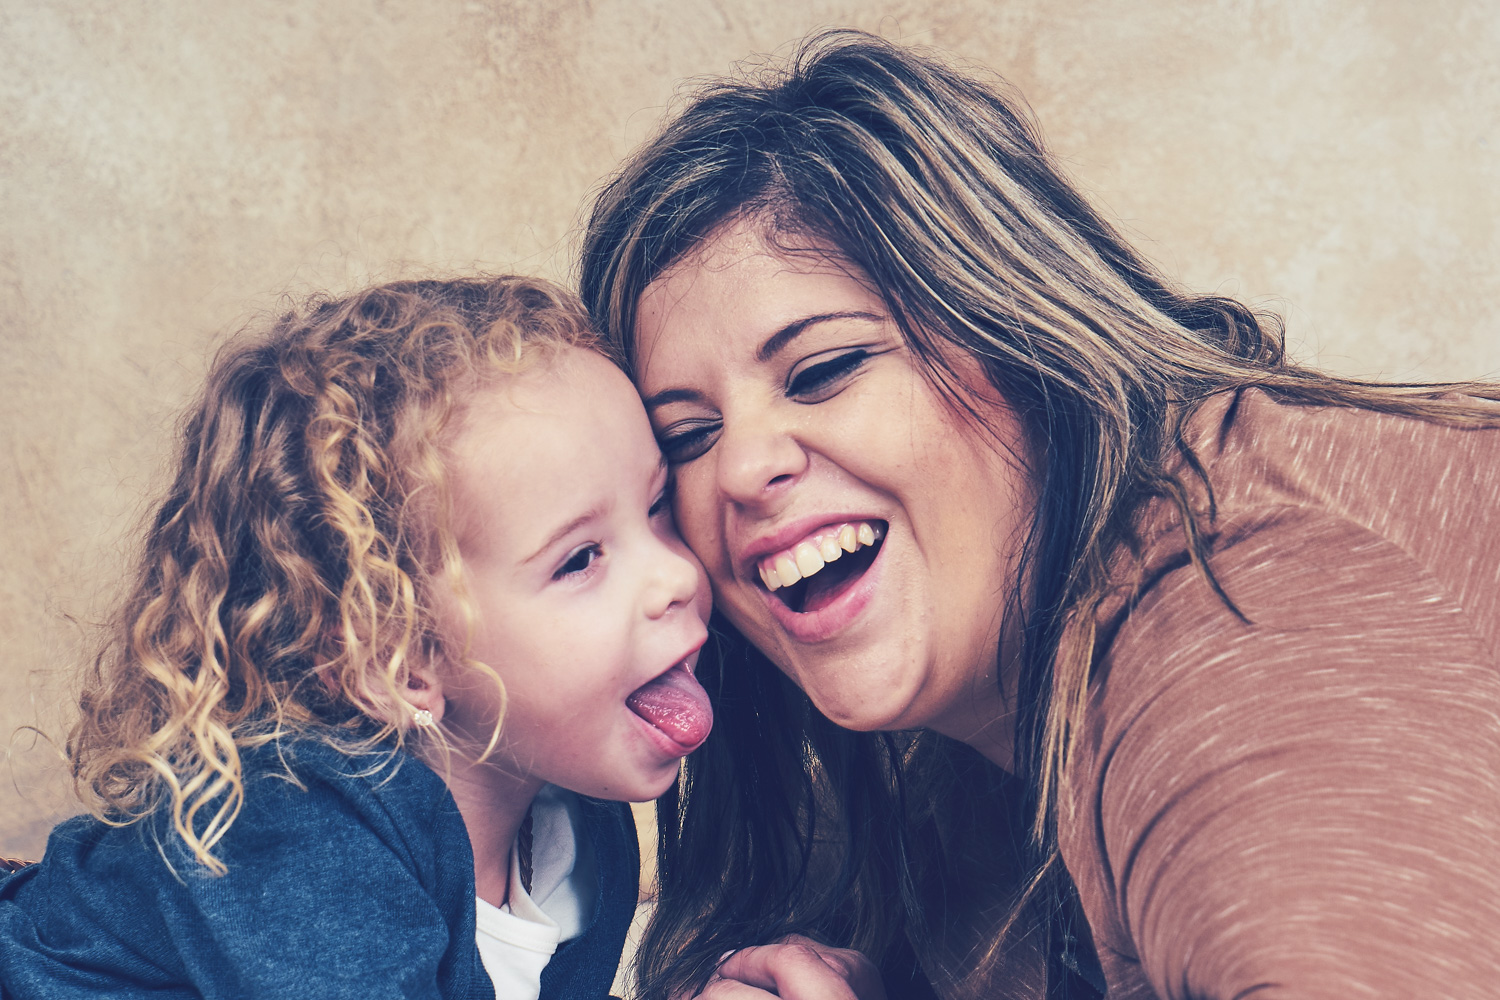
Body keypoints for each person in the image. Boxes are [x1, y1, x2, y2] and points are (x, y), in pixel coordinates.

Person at [578, 29, 1500, 1000]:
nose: (740, 468)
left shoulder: (1242, 609)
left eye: (825, 370)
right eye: (687, 436)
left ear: (1019, 343)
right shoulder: (962, 741)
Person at [0, 275, 716, 1000]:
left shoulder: (577, 829)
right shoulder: (295, 830)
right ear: (399, 660)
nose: (677, 575)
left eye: (658, 505)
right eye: (580, 559)